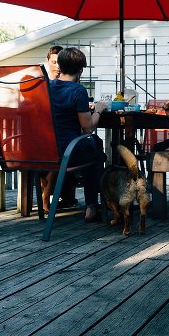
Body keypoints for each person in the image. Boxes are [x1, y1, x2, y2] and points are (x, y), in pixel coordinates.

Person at [44, 47, 107, 222]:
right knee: (94, 145)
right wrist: (99, 110)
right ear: (80, 70)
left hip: (46, 149)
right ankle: (92, 206)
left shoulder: (47, 87)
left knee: (92, 146)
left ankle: (89, 204)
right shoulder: (78, 90)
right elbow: (88, 127)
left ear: (60, 66)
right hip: (68, 151)